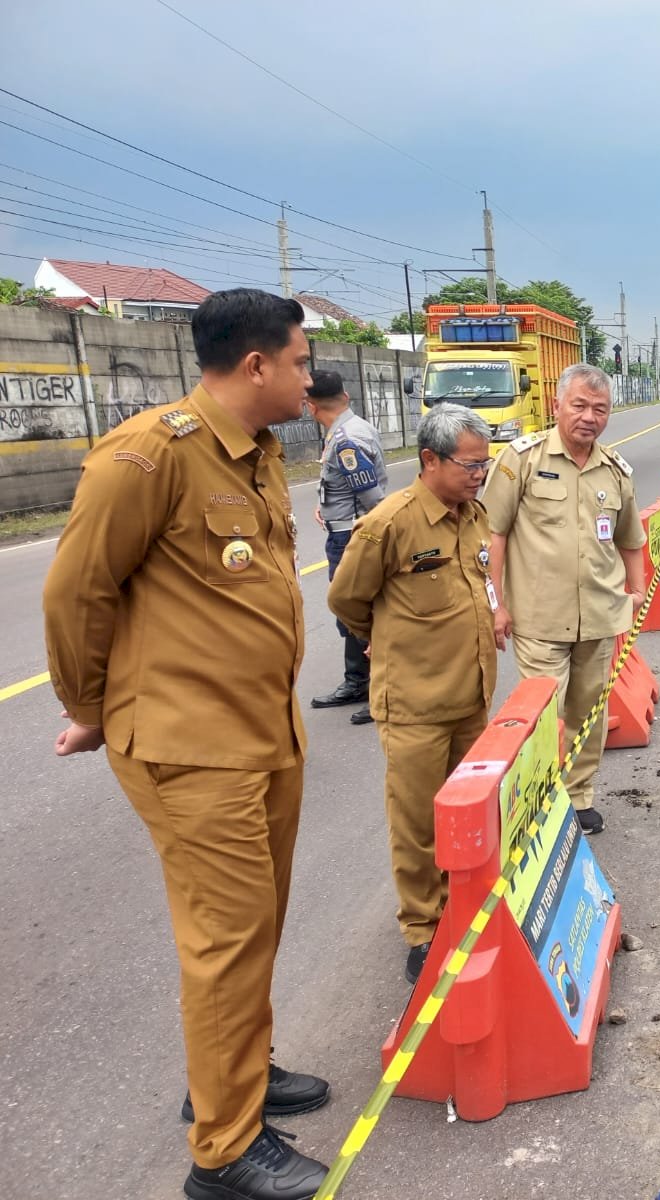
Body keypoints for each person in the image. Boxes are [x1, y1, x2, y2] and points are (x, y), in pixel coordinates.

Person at [43, 289, 330, 1200]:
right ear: (255, 365)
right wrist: (90, 706)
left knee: (257, 925)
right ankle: (224, 1152)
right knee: (227, 938)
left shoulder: (259, 454)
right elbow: (74, 595)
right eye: (297, 359)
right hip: (190, 745)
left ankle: (239, 1074)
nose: (307, 374)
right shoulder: (145, 457)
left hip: (261, 732)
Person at [327, 404, 498, 984]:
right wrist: (384, 640)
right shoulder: (390, 523)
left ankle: (464, 904)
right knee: (418, 822)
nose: (480, 474)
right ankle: (424, 928)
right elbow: (346, 599)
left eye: (486, 463)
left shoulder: (473, 515)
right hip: (416, 704)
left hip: (471, 698)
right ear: (430, 459)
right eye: (470, 464)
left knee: (471, 814)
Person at [483, 364, 647, 835]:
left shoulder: (614, 470)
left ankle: (578, 797)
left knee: (589, 712)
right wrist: (497, 603)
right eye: (578, 405)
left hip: (598, 615)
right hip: (539, 619)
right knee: (543, 717)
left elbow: (630, 538)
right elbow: (493, 534)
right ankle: (537, 801)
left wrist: (636, 592)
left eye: (599, 409)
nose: (588, 417)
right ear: (556, 406)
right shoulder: (522, 460)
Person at [306, 369, 388, 725]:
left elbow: (372, 498)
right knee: (350, 613)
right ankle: (357, 681)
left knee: (360, 613)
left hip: (352, 537)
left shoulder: (345, 440)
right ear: (346, 397)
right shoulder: (353, 428)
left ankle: (381, 691)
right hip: (342, 531)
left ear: (310, 407)